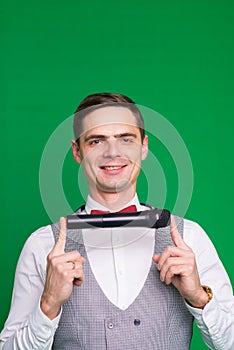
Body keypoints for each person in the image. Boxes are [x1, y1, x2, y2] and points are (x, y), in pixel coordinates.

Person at [0, 92, 233, 349]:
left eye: (125, 139)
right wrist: (48, 304)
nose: (112, 152)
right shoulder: (42, 245)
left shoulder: (190, 238)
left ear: (144, 146)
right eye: (97, 141)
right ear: (77, 151)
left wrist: (199, 297)